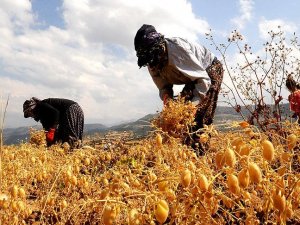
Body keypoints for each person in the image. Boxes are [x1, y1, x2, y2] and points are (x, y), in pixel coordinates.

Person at [134, 24, 224, 155]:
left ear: (160, 48)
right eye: (149, 62)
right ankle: (188, 155)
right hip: (194, 77)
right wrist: (167, 100)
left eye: (153, 59)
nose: (152, 65)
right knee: (183, 121)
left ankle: (201, 156)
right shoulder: (151, 62)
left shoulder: (178, 51)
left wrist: (192, 105)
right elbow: (164, 87)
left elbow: (202, 80)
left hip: (208, 70)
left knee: (199, 117)